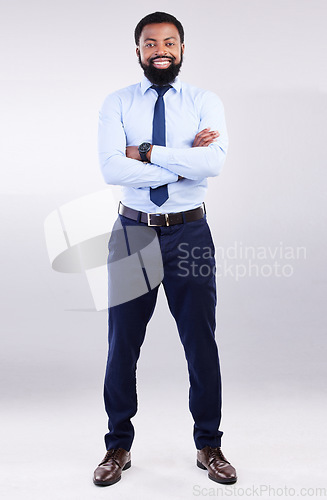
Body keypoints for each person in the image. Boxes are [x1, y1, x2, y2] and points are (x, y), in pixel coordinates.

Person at [93, 11, 237, 486]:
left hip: (190, 234)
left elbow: (212, 163)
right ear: (138, 51)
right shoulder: (116, 103)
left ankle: (209, 444)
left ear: (182, 49)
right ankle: (117, 446)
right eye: (151, 43)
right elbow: (113, 169)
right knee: (123, 344)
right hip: (133, 232)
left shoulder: (204, 101)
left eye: (170, 42)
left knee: (200, 341)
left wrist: (148, 152)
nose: (161, 50)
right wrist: (183, 163)